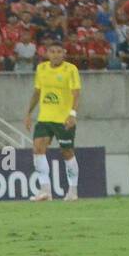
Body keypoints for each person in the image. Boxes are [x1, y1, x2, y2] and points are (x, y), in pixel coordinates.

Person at [24, 38, 82, 202]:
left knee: (67, 152)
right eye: (52, 51)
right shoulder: (41, 69)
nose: (56, 55)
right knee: (38, 148)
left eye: (59, 52)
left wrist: (72, 114)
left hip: (63, 119)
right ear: (47, 53)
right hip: (45, 118)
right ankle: (45, 190)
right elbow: (37, 92)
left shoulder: (70, 70)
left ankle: (72, 190)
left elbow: (76, 94)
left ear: (64, 53)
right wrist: (28, 113)